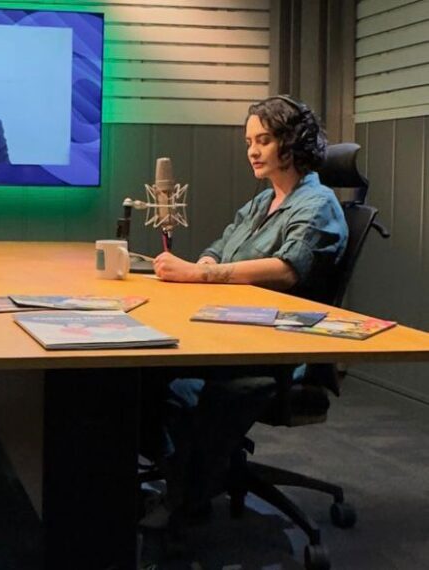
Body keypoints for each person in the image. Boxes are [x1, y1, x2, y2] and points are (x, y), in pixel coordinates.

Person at [141, 95, 348, 525]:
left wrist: (199, 277)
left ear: (292, 143)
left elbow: (288, 270)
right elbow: (218, 248)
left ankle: (188, 494)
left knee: (170, 383)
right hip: (229, 335)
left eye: (264, 140)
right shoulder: (261, 203)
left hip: (275, 349)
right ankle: (186, 476)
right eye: (249, 140)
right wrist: (205, 265)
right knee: (139, 372)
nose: (252, 150)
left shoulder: (319, 204)